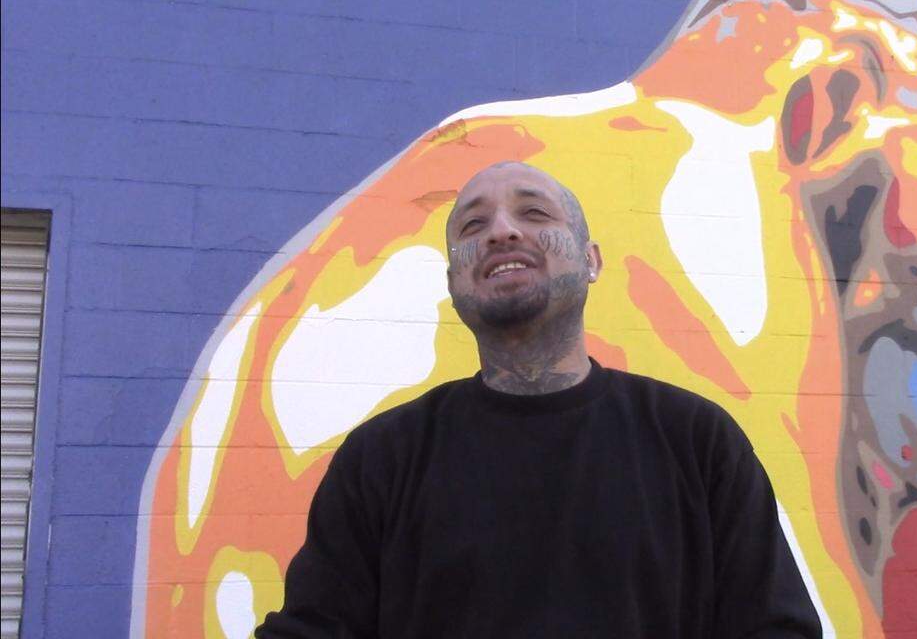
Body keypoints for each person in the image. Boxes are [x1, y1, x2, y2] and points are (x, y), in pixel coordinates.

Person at [256, 161, 822, 638]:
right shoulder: (382, 458)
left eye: (533, 213)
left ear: (592, 259)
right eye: (473, 224)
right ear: (454, 280)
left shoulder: (695, 439)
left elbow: (775, 627)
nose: (501, 231)